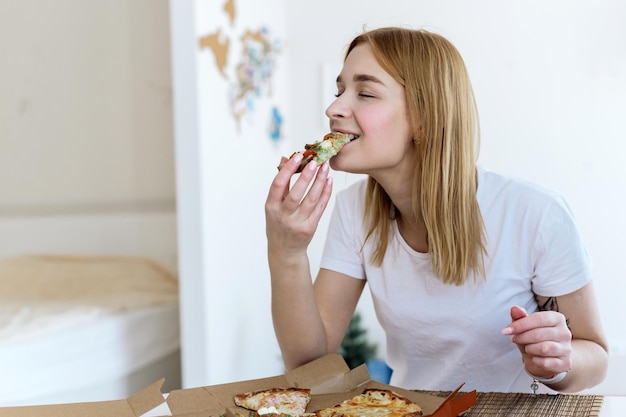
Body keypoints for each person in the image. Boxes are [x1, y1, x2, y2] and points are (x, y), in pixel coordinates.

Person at [264, 26, 608, 393]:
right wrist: (287, 251)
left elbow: (595, 355)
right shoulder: (354, 212)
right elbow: (308, 365)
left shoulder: (536, 214)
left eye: (364, 92)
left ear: (425, 118)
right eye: (339, 90)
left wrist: (557, 362)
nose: (333, 108)